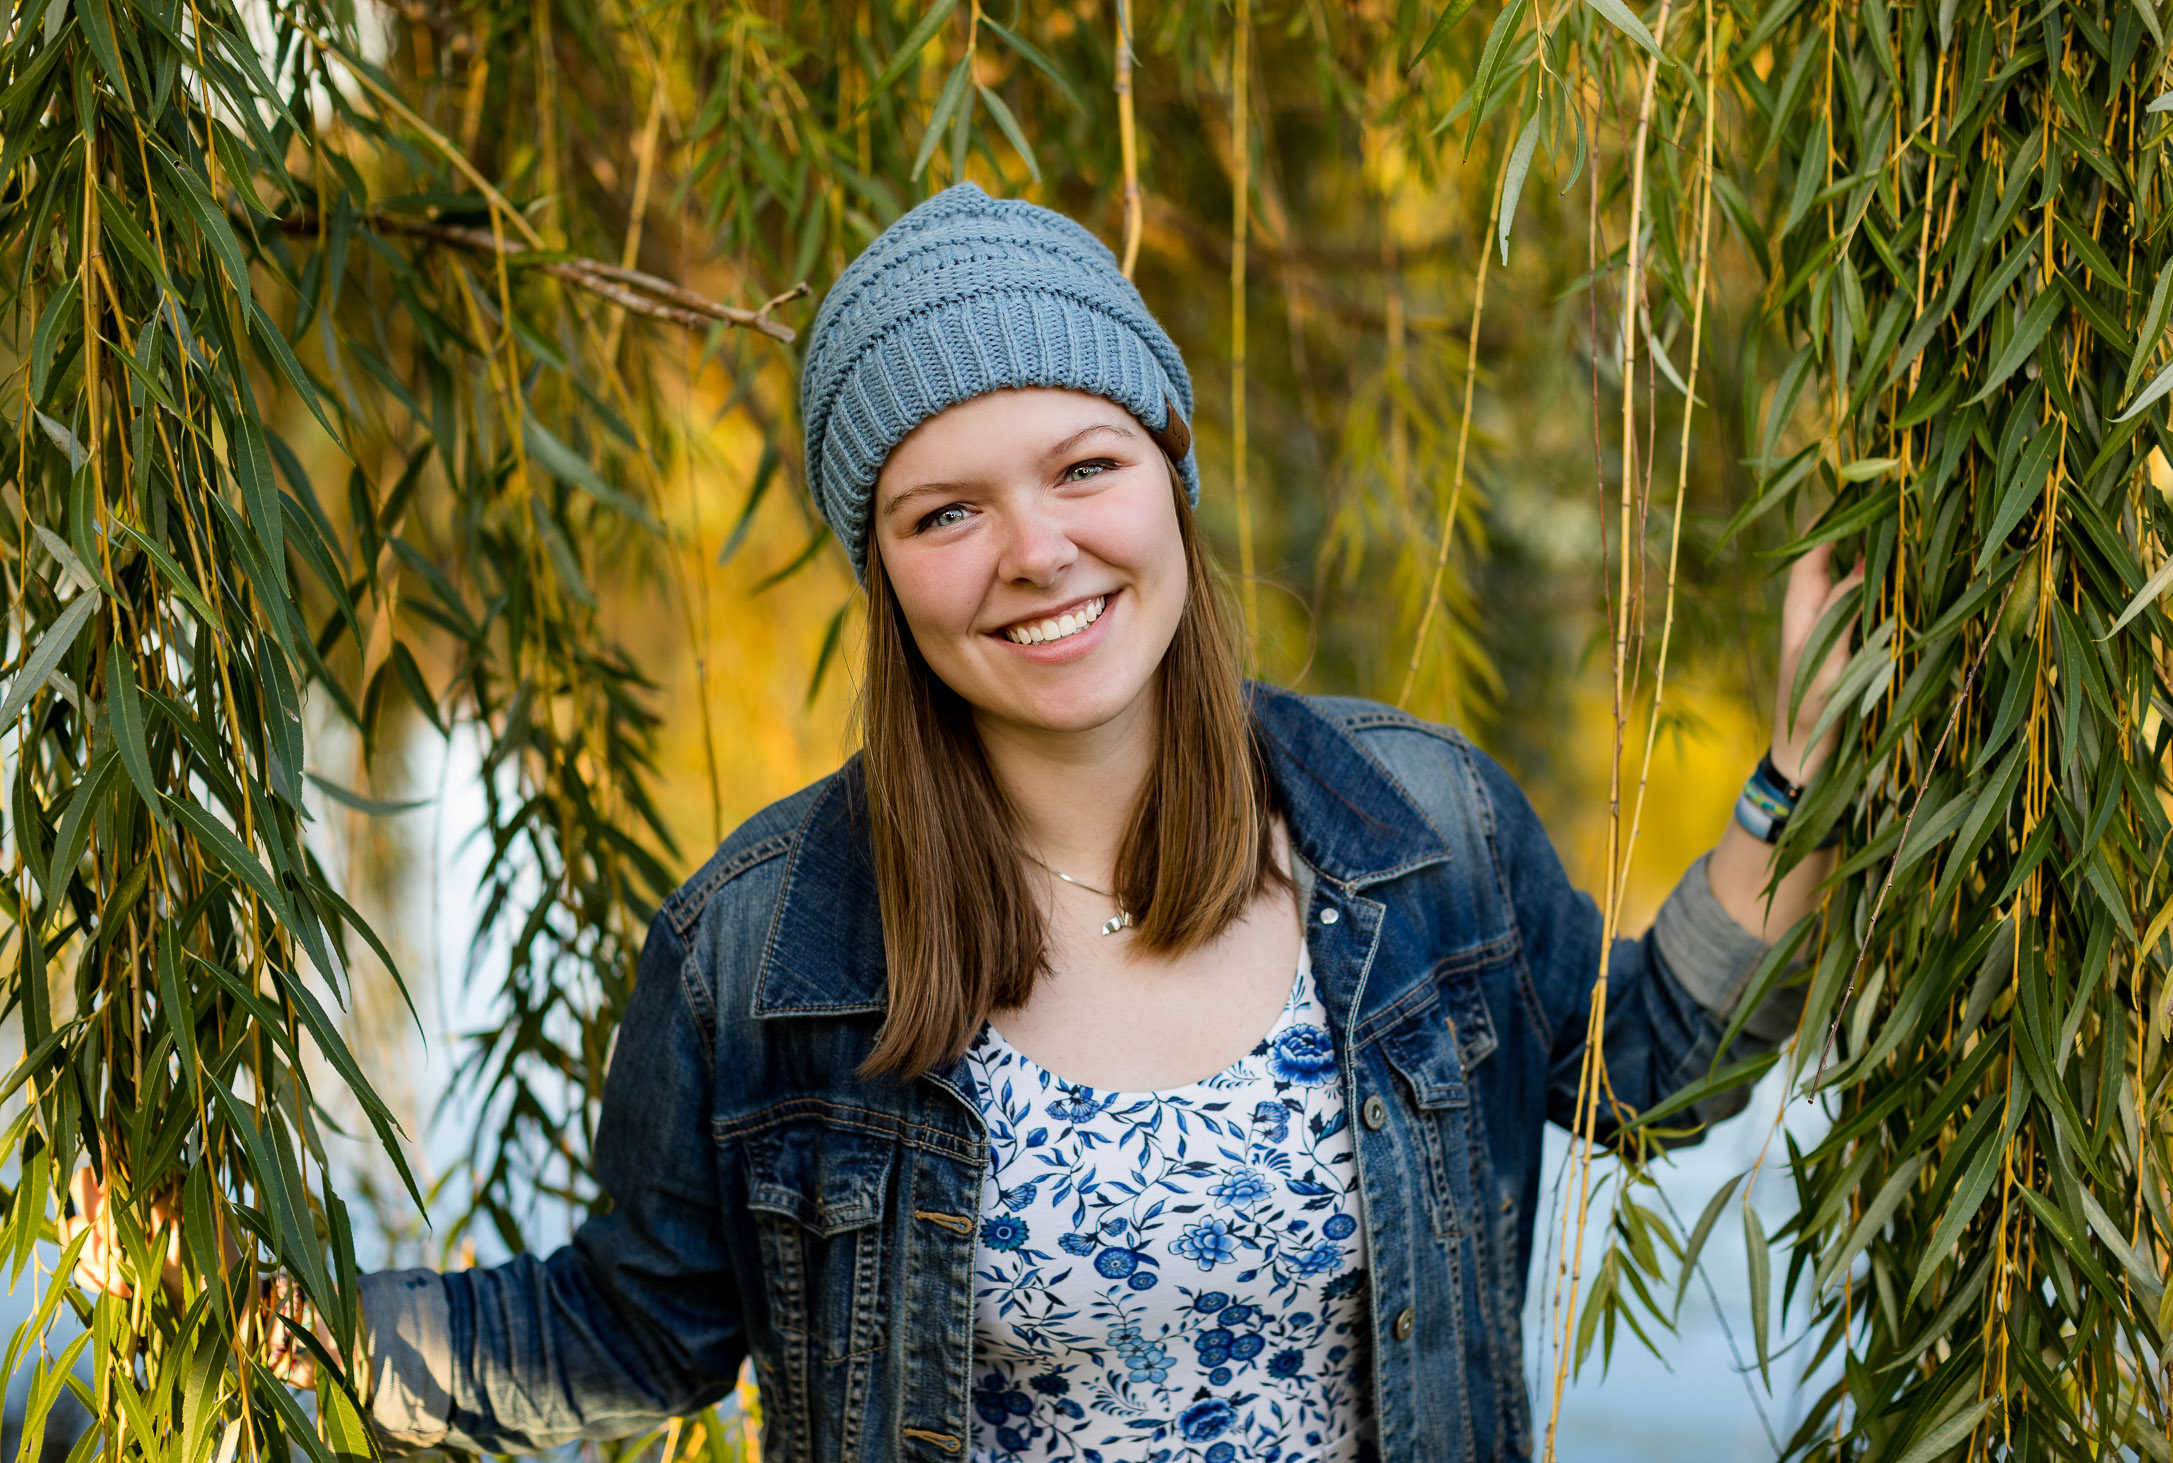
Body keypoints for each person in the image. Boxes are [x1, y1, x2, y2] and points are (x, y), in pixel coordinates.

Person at [69, 183, 1860, 1462]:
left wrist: (1797, 771)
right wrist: (249, 1303)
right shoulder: (763, 944)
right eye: (946, 510)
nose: (1036, 553)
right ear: (881, 565)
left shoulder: (1412, 821)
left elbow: (1651, 1075)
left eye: (1083, 468)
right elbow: (632, 1333)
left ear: (1171, 470)